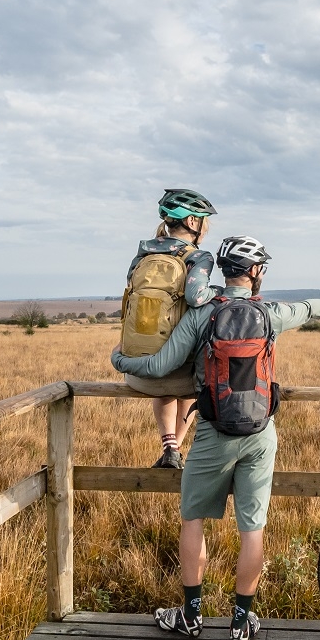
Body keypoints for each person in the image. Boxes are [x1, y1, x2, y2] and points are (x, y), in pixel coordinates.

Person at [110, 235, 320, 640]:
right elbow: (306, 309)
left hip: (212, 433)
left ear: (224, 271)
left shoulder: (203, 313)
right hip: (260, 434)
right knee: (252, 529)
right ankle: (240, 624)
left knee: (193, 520)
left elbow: (161, 365)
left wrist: (119, 359)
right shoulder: (269, 314)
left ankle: (191, 617)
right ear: (254, 272)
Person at [118, 188, 218, 469]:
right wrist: (219, 293)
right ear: (192, 221)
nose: (205, 228)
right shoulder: (198, 257)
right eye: (204, 221)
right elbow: (196, 297)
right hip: (183, 374)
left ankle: (170, 446)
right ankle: (177, 447)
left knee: (164, 388)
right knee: (186, 387)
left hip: (139, 372)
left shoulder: (142, 255)